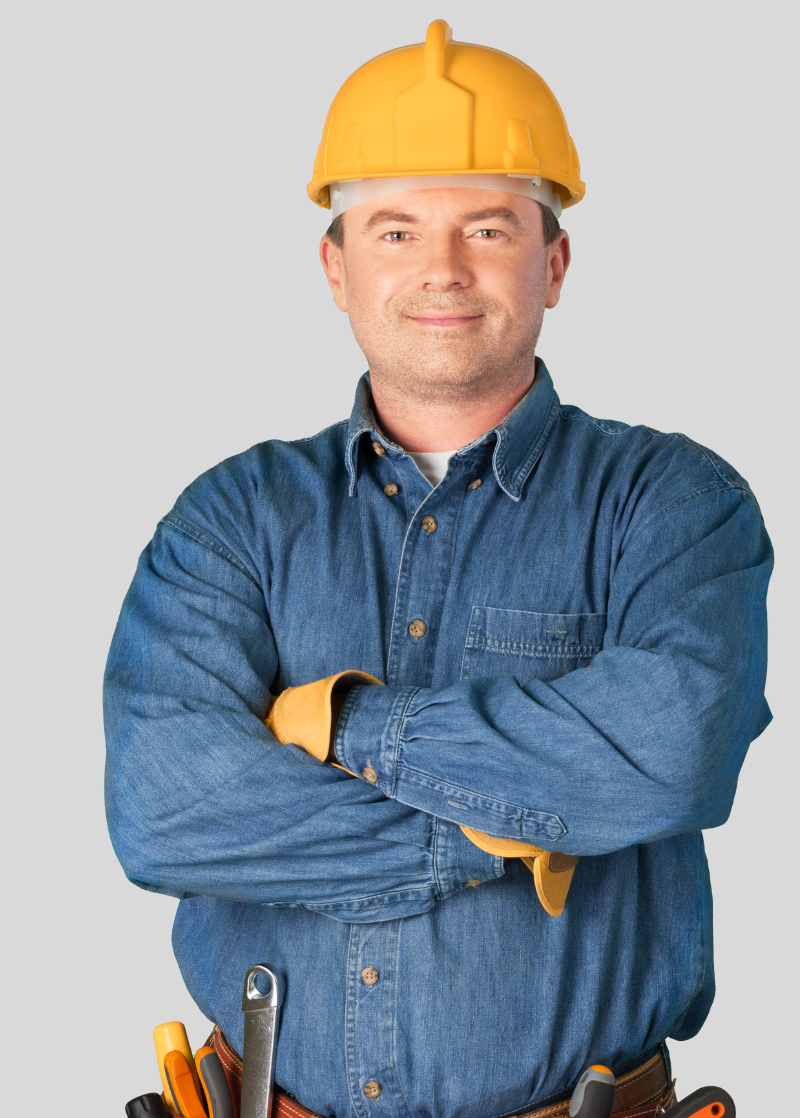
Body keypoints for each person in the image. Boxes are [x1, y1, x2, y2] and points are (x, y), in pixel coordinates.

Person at [104, 21, 772, 1118]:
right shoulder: (228, 518)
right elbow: (164, 811)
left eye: (488, 227)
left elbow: (671, 753)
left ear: (552, 261)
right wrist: (519, 820)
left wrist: (341, 725)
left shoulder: (672, 503)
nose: (440, 270)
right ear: (336, 267)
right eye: (396, 228)